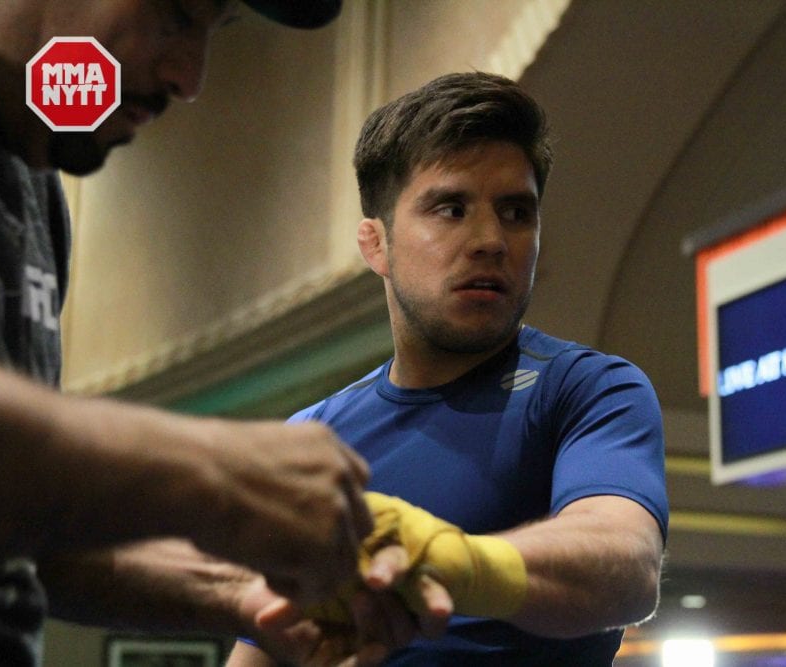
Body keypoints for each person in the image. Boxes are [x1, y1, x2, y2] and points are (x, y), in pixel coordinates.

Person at [0, 1, 418, 665]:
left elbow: (30, 524)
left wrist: (254, 587)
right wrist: (215, 471)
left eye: (219, 28)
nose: (190, 78)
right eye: (179, 13)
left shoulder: (33, 184)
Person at [228, 71, 669, 666]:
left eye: (516, 212)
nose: (490, 239)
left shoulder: (588, 391)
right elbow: (260, 650)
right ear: (375, 243)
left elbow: (626, 564)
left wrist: (446, 560)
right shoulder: (310, 439)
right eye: (451, 208)